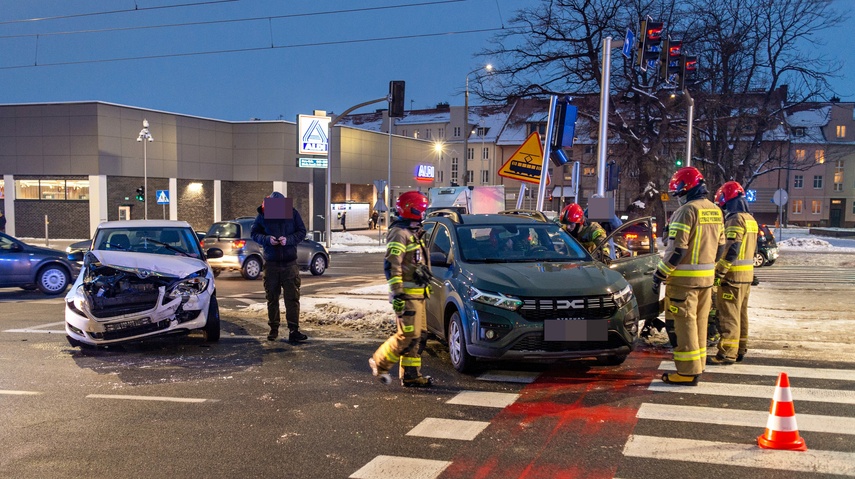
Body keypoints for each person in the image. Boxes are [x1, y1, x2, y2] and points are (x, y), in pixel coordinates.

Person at [652, 167, 724, 386]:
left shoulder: (686, 211)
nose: (678, 197)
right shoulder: (715, 210)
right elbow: (721, 248)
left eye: (678, 193)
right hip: (706, 280)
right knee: (700, 324)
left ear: (686, 189)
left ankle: (687, 372)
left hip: (684, 283)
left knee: (684, 326)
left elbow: (677, 250)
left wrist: (660, 274)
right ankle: (697, 365)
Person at [369, 191, 433, 388]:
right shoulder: (400, 233)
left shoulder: (413, 232)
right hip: (406, 296)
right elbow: (392, 265)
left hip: (418, 294)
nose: (423, 213)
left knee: (418, 337)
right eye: (421, 210)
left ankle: (411, 375)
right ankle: (379, 362)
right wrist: (397, 293)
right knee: (407, 336)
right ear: (411, 210)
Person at [708, 180, 758, 365]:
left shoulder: (735, 219)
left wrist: (719, 272)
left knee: (728, 315)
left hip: (732, 277)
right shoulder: (751, 219)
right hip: (745, 277)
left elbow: (732, 249)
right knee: (741, 314)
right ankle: (740, 349)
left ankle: (727, 352)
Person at [250, 192, 309, 343]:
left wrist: (288, 240)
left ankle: (293, 330)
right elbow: (254, 233)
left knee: (292, 298)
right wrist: (267, 239)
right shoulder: (263, 215)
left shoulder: (292, 213)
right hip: (271, 264)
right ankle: (273, 329)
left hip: (289, 264)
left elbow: (302, 231)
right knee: (272, 298)